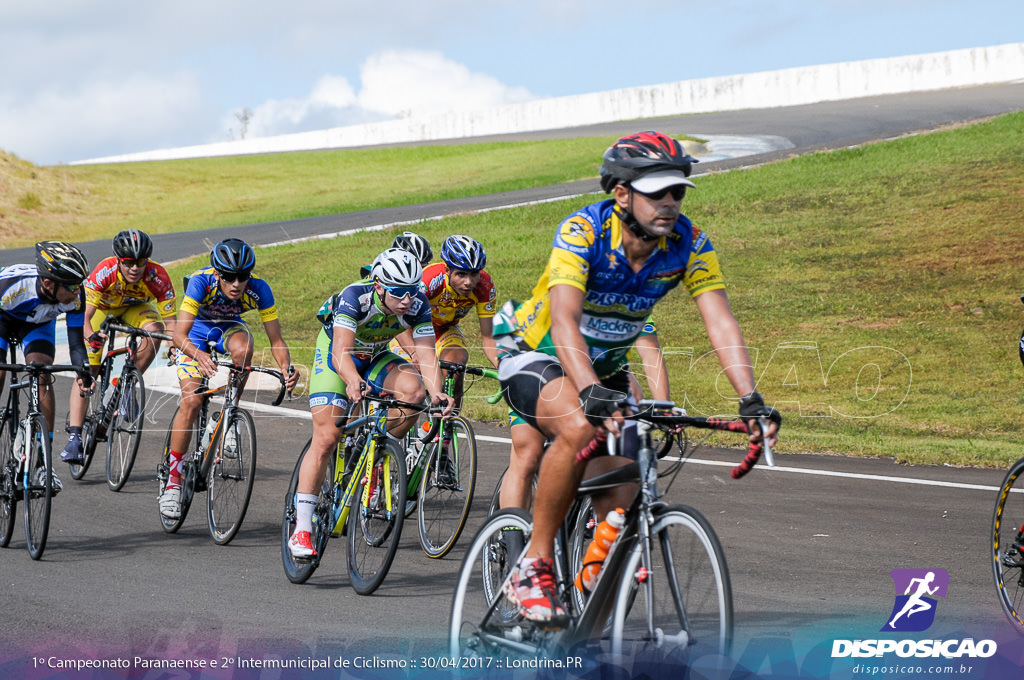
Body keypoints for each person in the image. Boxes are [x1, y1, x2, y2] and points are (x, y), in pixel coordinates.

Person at [495, 131, 781, 625]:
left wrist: (750, 398)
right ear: (622, 194)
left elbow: (719, 321)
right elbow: (564, 319)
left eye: (677, 192)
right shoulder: (584, 230)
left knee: (630, 477)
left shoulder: (688, 243)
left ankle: (585, 583)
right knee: (578, 427)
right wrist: (587, 392)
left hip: (603, 368)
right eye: (656, 192)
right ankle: (532, 565)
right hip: (536, 352)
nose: (669, 203)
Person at [287, 247, 453, 559]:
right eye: (399, 292)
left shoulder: (417, 304)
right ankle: (303, 528)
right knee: (326, 437)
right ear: (379, 286)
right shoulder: (356, 297)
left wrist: (438, 393)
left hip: (374, 354)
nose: (407, 299)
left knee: (415, 393)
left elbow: (427, 356)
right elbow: (341, 352)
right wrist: (351, 380)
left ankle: (374, 448)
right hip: (338, 356)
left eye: (412, 290)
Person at [160, 238, 298, 519]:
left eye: (243, 277)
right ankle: (173, 481)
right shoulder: (201, 282)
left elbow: (276, 339)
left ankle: (230, 413)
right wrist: (198, 356)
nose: (237, 284)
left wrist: (286, 368)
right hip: (195, 332)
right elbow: (178, 334)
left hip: (229, 328)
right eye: (230, 277)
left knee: (245, 348)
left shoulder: (260, 290)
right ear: (217, 273)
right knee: (193, 401)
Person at [60, 229, 177, 464]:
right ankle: (75, 437)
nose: (135, 268)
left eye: (140, 262)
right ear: (118, 260)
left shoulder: (158, 276)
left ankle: (126, 384)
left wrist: (173, 347)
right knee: (87, 371)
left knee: (156, 332)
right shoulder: (106, 270)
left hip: (135, 309)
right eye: (128, 262)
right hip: (101, 310)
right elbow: (83, 315)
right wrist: (91, 336)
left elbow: (172, 323)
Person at [0, 241, 91, 493]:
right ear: (49, 283)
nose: (77, 290)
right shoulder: (12, 285)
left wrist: (82, 370)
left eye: (79, 284)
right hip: (3, 317)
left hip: (37, 324)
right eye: (72, 285)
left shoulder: (75, 296)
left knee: (42, 373)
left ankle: (41, 461)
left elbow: (75, 343)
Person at [393, 235, 500, 409]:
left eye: (474, 274)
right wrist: (414, 353)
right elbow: (396, 320)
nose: (469, 282)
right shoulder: (428, 281)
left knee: (456, 366)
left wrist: (501, 365)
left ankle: (446, 429)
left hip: (444, 329)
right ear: (447, 270)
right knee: (410, 389)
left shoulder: (485, 286)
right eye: (461, 274)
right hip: (409, 330)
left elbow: (488, 338)